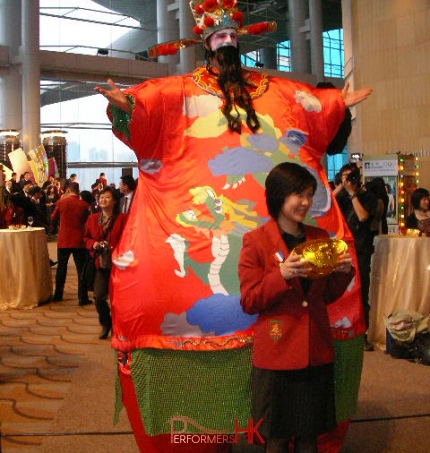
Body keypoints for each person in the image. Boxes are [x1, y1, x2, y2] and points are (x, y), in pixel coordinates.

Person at [94, 2, 372, 451]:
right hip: (224, 244)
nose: (226, 43)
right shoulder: (178, 93)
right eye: (218, 37)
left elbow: (308, 104)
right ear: (205, 44)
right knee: (163, 283)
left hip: (289, 296)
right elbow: (149, 105)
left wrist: (335, 102)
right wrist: (132, 105)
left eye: (231, 37)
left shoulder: (277, 92)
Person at [239, 163, 354, 453]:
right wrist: (282, 276)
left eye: (309, 194)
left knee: (308, 438)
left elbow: (323, 296)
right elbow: (249, 301)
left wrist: (343, 271)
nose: (305, 202)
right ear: (279, 196)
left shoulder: (319, 238)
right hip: (277, 356)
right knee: (276, 438)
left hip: (315, 352)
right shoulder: (256, 242)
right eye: (298, 194)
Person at [334, 163, 377, 351]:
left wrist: (352, 194)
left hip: (361, 250)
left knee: (361, 292)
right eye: (344, 176)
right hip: (342, 251)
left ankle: (363, 334)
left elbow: (362, 217)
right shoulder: (341, 195)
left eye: (350, 176)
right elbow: (326, 205)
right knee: (340, 292)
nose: (348, 180)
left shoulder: (368, 196)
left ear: (358, 177)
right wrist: (341, 187)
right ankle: (341, 331)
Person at [84, 186, 128, 339]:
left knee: (119, 300)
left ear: (115, 201)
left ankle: (119, 327)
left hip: (119, 264)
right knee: (98, 297)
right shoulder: (92, 218)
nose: (103, 200)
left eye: (107, 197)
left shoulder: (123, 219)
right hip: (101, 263)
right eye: (101, 197)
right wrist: (93, 244)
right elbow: (86, 238)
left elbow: (129, 238)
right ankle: (106, 323)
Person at [51, 182, 91, 306]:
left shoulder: (61, 202)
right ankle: (82, 298)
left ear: (68, 190)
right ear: (78, 191)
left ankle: (58, 295)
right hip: (79, 240)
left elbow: (53, 217)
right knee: (81, 270)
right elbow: (87, 221)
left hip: (63, 239)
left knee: (61, 268)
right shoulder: (84, 205)